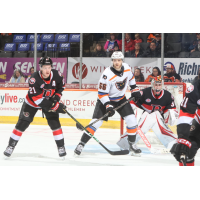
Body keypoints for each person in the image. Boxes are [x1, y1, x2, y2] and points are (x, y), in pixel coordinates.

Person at [74, 51, 142, 156]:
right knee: (96, 123)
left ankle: (132, 144)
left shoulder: (127, 67)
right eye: (115, 60)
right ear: (112, 61)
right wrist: (108, 106)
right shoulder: (106, 74)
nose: (117, 63)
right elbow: (102, 94)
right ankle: (81, 144)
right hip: (105, 100)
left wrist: (134, 89)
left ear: (122, 61)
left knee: (132, 121)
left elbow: (131, 78)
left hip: (121, 99)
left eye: (119, 60)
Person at [3, 56, 68, 159]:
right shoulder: (34, 78)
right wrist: (55, 106)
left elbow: (61, 87)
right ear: (40, 68)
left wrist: (56, 98)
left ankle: (61, 147)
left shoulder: (57, 75)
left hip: (49, 101)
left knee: (55, 123)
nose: (47, 70)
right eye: (45, 67)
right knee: (22, 124)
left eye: (49, 67)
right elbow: (38, 100)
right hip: (32, 103)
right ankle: (10, 146)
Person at [117, 76, 178, 152]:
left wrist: (171, 116)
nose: (157, 87)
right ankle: (125, 143)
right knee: (141, 124)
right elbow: (131, 102)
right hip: (143, 117)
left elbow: (172, 110)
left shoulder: (168, 96)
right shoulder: (144, 93)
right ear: (152, 85)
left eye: (159, 85)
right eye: (156, 85)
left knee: (157, 117)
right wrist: (127, 113)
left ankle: (172, 144)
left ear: (162, 85)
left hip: (158, 119)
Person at [170, 81, 200, 166]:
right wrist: (183, 138)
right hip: (198, 124)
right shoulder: (195, 89)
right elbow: (186, 112)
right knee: (187, 150)